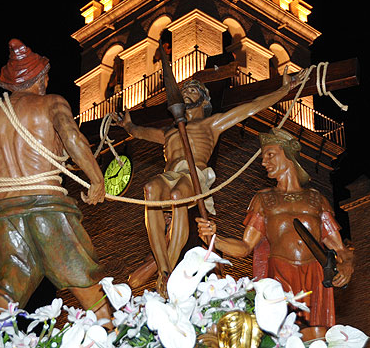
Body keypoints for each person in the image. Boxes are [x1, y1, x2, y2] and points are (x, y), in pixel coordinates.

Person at [112, 67, 305, 294]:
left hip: (194, 175)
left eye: (193, 90)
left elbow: (252, 107)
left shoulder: (212, 125)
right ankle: (164, 267)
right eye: (185, 89)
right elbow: (140, 132)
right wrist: (127, 125)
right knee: (150, 188)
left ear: (204, 100)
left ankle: (169, 270)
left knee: (178, 196)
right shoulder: (169, 132)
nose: (186, 91)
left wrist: (284, 89)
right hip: (170, 174)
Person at [0, 39, 109, 320]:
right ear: (41, 78)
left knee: (5, 293)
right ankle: (115, 334)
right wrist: (97, 179)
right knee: (88, 285)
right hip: (46, 206)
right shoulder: (52, 103)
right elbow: (72, 138)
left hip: (2, 213)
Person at [196, 128, 354, 337]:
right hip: (280, 275)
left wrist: (347, 266)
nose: (264, 162)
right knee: (284, 334)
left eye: (270, 155)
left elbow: (340, 249)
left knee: (316, 336)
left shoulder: (316, 200)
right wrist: (216, 238)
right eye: (263, 157)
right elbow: (245, 247)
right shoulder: (264, 200)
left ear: (288, 155)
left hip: (314, 275)